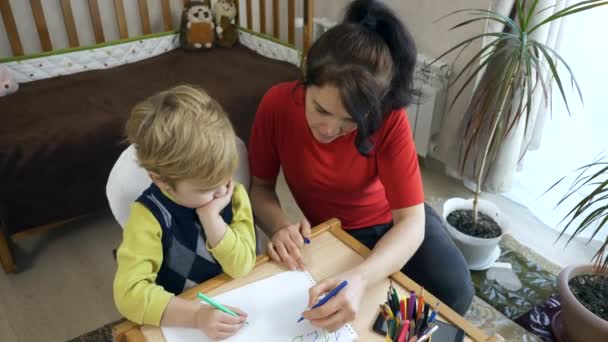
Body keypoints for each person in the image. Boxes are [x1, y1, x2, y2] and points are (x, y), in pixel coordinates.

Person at [248, 0, 474, 331]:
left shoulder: (389, 118)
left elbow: (410, 221)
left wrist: (363, 275)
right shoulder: (277, 105)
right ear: (306, 81)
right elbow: (261, 188)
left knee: (455, 293)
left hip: (393, 223)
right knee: (341, 314)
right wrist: (281, 225)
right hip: (336, 233)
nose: (328, 130)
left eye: (349, 122)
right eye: (321, 110)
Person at [113, 85, 255, 340]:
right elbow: (128, 295)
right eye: (208, 188)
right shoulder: (148, 216)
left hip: (232, 303)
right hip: (179, 318)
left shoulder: (232, 194)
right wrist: (197, 316)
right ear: (161, 180)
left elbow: (242, 266)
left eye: (226, 176)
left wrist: (211, 219)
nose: (223, 189)